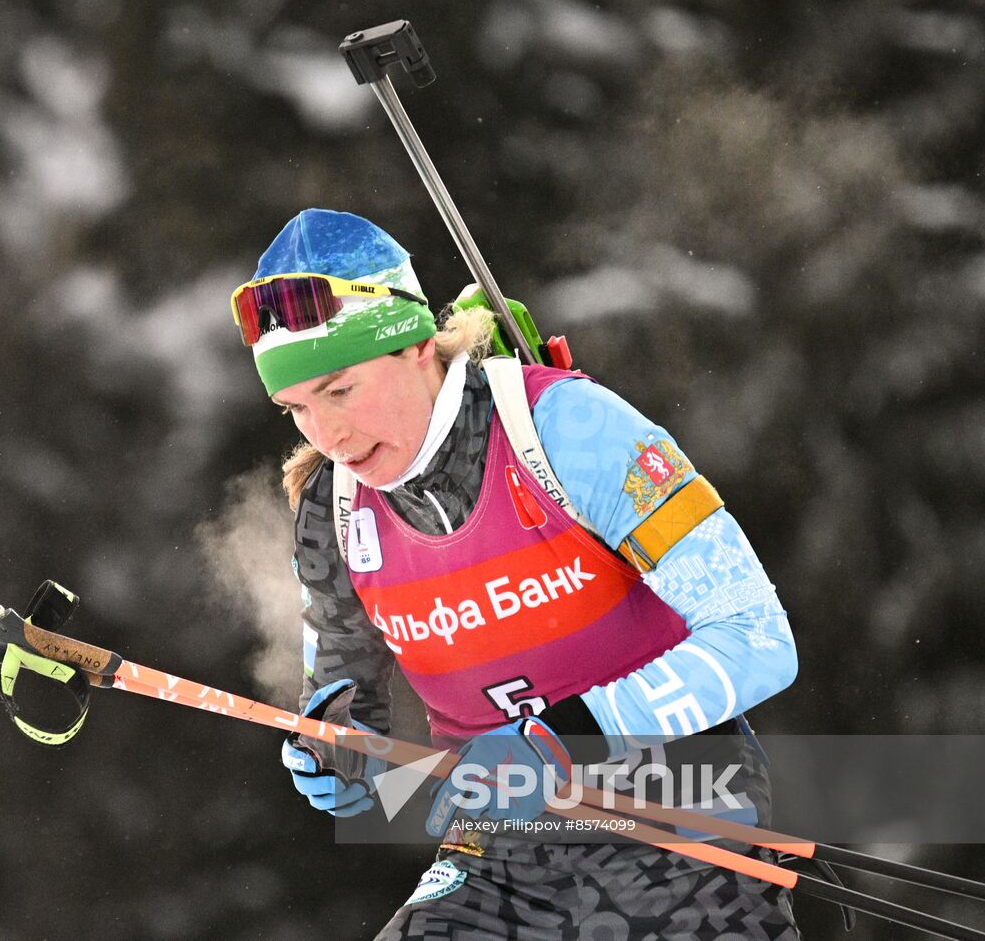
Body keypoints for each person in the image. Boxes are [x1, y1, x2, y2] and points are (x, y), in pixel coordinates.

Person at [230, 208, 802, 940]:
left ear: (413, 346)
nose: (327, 434)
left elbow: (757, 637)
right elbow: (343, 697)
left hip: (682, 804)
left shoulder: (566, 428)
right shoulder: (331, 506)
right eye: (296, 408)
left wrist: (565, 738)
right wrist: (332, 750)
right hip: (503, 845)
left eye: (340, 390)